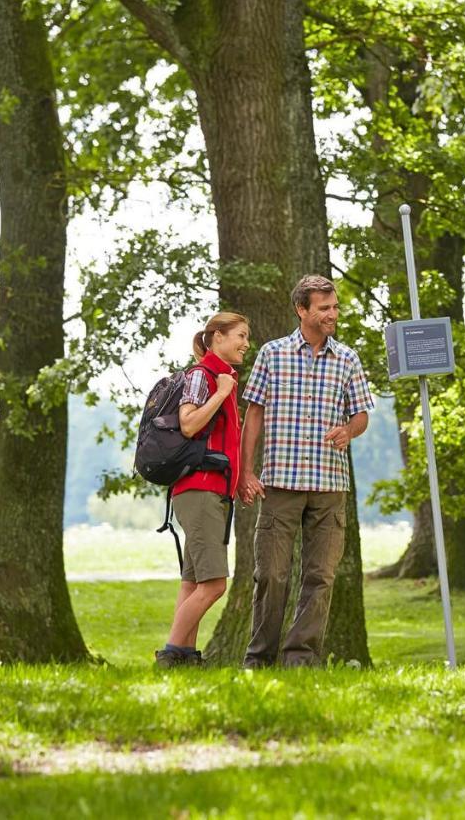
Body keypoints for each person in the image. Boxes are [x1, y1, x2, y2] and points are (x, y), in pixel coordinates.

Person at [238, 274, 373, 668]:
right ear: (302, 310)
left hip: (330, 486)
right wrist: (247, 472)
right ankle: (258, 660)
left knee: (320, 578)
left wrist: (349, 430)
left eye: (335, 307)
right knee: (272, 576)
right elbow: (254, 414)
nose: (333, 314)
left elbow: (362, 414)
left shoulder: (347, 358)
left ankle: (301, 660)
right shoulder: (272, 354)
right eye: (324, 308)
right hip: (281, 483)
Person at [154, 312, 250, 668]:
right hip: (200, 490)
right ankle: (171, 655)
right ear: (217, 337)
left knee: (193, 583)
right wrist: (222, 392)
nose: (245, 343)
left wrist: (240, 482)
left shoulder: (220, 377)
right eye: (240, 335)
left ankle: (186, 660)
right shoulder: (202, 376)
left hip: (210, 491)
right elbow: (190, 424)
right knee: (214, 585)